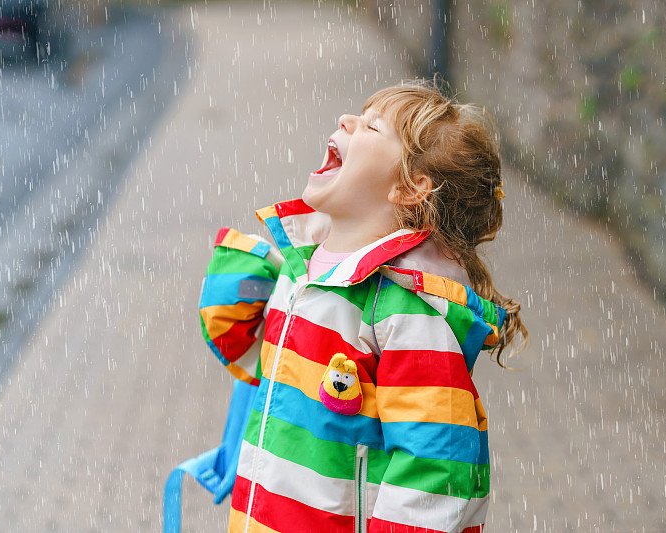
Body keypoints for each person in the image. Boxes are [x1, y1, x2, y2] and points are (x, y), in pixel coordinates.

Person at [198, 79, 528, 533]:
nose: (345, 121)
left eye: (371, 128)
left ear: (410, 188)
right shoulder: (302, 275)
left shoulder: (407, 314)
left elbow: (436, 468)